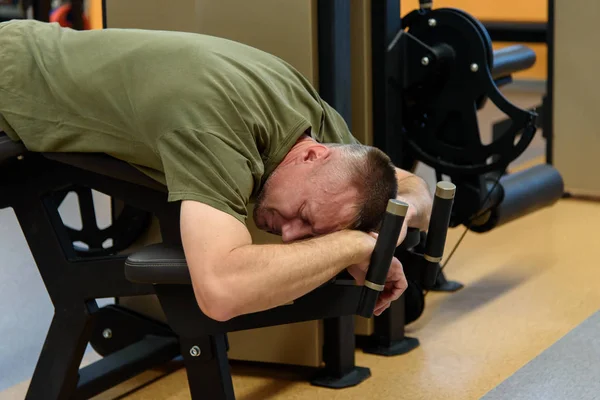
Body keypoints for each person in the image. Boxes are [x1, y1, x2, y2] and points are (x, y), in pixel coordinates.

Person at [0, 19, 432, 321]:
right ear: (311, 157)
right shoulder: (216, 131)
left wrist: (393, 223)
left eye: (313, 230)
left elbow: (412, 186)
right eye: (304, 215)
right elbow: (222, 293)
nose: (290, 235)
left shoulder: (320, 139)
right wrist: (356, 247)